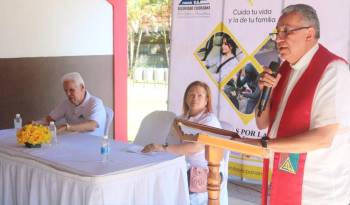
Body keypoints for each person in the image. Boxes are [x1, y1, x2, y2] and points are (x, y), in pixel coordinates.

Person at [240, 4, 350, 205]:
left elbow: (323, 138)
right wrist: (267, 91)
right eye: (277, 32)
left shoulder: (333, 70)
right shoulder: (284, 69)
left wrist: (265, 146)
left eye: (286, 31)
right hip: (284, 178)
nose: (278, 38)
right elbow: (262, 123)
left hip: (317, 192)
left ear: (309, 34)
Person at [141, 81, 228, 205]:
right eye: (191, 94)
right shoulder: (181, 119)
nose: (195, 98)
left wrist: (161, 148)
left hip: (206, 173)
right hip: (184, 167)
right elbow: (171, 141)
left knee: (166, 186)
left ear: (206, 100)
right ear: (186, 98)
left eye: (199, 95)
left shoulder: (210, 120)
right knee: (154, 178)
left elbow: (195, 147)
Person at [42, 72, 106, 136]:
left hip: (94, 143)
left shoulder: (96, 103)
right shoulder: (66, 103)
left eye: (71, 90)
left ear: (82, 87)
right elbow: (49, 119)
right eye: (66, 91)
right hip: (73, 142)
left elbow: (92, 125)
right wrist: (35, 124)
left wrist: (67, 127)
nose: (68, 94)